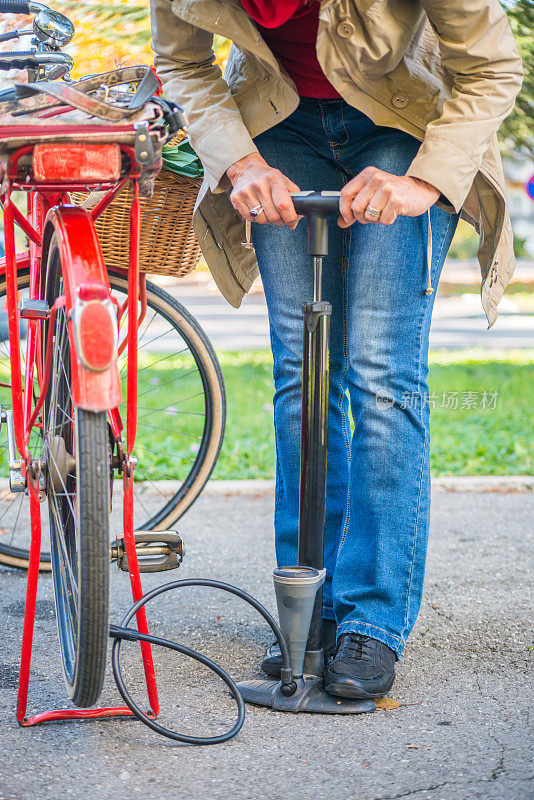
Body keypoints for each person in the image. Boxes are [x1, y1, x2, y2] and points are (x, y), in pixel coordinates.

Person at [151, 0, 522, 698]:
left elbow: (491, 66)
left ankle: (372, 620)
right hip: (277, 127)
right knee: (302, 371)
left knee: (380, 373)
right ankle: (310, 604)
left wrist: (422, 181)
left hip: (403, 122)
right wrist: (241, 163)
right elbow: (182, 60)